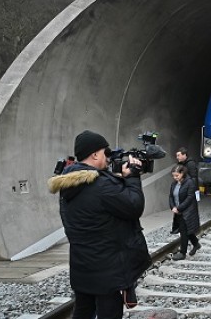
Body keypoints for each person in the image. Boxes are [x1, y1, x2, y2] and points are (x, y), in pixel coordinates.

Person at [47, 130, 151, 319]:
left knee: (83, 311)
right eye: (105, 152)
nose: (107, 157)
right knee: (108, 313)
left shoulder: (68, 183)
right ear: (95, 154)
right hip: (107, 270)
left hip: (82, 265)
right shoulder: (101, 185)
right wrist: (133, 177)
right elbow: (134, 206)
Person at [169, 164, 202, 260]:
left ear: (182, 173)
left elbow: (190, 198)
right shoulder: (174, 184)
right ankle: (196, 244)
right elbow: (171, 196)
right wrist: (173, 207)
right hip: (178, 210)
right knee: (186, 229)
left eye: (176, 175)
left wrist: (179, 208)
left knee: (183, 231)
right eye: (173, 176)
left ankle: (182, 252)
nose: (175, 178)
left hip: (187, 211)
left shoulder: (190, 182)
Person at [170, 147, 199, 235]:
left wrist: (191, 189)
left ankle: (184, 229)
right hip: (182, 190)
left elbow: (193, 178)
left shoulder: (190, 164)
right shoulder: (180, 164)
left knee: (186, 210)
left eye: (178, 155)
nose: (177, 157)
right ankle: (177, 228)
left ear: (184, 155)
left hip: (187, 190)